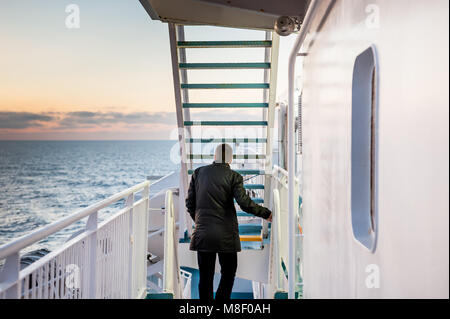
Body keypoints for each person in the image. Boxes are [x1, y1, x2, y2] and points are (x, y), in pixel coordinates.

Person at [186, 143, 272, 301]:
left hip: (203, 234)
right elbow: (245, 204)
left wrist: (200, 223)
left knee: (205, 278)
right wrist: (266, 214)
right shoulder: (234, 177)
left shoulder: (198, 173)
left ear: (214, 157)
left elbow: (190, 204)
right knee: (228, 273)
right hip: (226, 235)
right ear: (230, 159)